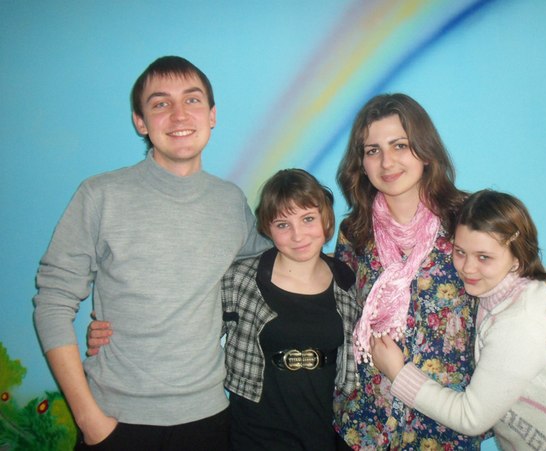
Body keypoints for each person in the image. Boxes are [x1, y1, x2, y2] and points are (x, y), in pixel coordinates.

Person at [33, 56, 270, 451]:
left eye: (192, 100)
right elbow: (52, 302)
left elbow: (272, 271)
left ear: (212, 115)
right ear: (140, 122)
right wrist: (89, 420)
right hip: (115, 420)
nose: (179, 114)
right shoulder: (101, 195)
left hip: (209, 419)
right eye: (161, 103)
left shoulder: (230, 203)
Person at [331, 93, 546, 450]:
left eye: (400, 145)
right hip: (367, 425)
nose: (387, 162)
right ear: (361, 162)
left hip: (444, 428)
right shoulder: (355, 231)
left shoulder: (464, 216)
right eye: (373, 150)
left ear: (425, 151)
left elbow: (524, 274)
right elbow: (340, 308)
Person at [88, 169, 361, 450]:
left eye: (308, 219)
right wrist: (119, 329)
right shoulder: (239, 279)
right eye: (283, 224)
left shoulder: (347, 282)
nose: (298, 235)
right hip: (255, 435)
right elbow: (182, 323)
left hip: (323, 431)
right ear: (267, 229)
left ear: (326, 219)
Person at [372, 189, 546, 450]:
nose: (468, 268)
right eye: (460, 252)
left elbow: (470, 418)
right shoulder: (501, 292)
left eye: (484, 257)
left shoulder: (522, 322)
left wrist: (397, 372)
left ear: (517, 258)